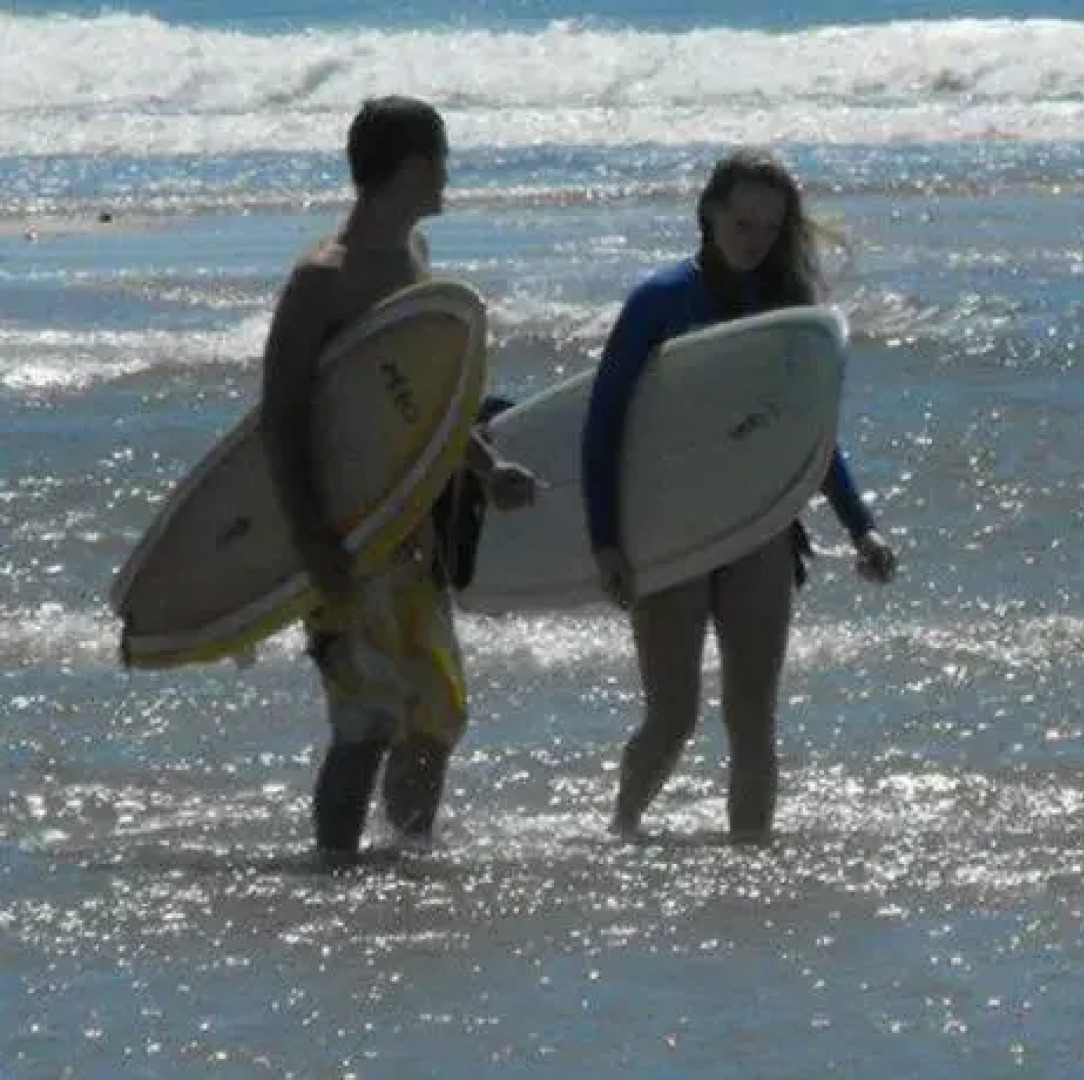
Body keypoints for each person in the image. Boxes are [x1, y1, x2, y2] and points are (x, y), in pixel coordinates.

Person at [582, 147, 898, 843]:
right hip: (673, 528)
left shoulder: (788, 311)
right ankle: (621, 832)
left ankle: (749, 863)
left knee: (753, 717)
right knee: (673, 715)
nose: (755, 240)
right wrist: (605, 539)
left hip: (759, 525)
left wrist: (861, 527)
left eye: (769, 227)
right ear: (709, 214)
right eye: (742, 223)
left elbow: (809, 435)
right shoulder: (659, 301)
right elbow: (603, 425)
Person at [259, 96, 539, 862]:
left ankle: (405, 859)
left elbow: (425, 409)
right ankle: (336, 873)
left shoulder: (414, 257)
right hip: (347, 535)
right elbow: (280, 419)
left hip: (413, 533)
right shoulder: (322, 279)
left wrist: (488, 467)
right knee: (364, 721)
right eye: (442, 162)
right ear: (415, 167)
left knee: (436, 712)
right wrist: (313, 544)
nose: (448, 177)